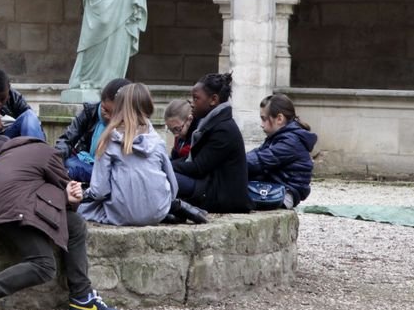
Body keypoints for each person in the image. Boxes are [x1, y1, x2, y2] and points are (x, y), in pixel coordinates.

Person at [0, 136, 119, 310]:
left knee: (74, 224)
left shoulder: (5, 158)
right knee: (44, 265)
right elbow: (64, 190)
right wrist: (73, 199)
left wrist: (65, 200)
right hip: (18, 211)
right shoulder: (47, 152)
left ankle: (82, 297)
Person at [77, 83, 178, 226]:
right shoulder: (157, 141)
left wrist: (84, 194)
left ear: (118, 107)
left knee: (79, 209)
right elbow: (173, 186)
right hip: (158, 212)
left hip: (122, 214)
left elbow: (100, 191)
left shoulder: (109, 140)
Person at [171, 72, 252, 213]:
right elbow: (192, 160)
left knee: (162, 177)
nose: (192, 104)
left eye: (196, 99)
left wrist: (166, 166)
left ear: (213, 99)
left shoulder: (224, 129)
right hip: (209, 186)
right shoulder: (212, 123)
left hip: (221, 196)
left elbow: (198, 167)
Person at [247, 93, 318, 209]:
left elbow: (261, 160)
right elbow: (257, 154)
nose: (261, 125)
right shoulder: (279, 137)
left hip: (284, 193)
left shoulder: (291, 141)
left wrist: (234, 162)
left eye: (264, 119)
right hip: (276, 187)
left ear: (279, 118)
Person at [54, 78, 129, 182]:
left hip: (111, 169)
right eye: (104, 109)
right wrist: (55, 159)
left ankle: (86, 175)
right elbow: (66, 139)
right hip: (86, 161)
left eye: (112, 112)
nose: (106, 114)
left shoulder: (129, 123)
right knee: (67, 161)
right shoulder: (90, 112)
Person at [0, 68, 46, 141]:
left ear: (9, 89)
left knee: (29, 115)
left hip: (12, 137)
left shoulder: (15, 98)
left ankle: (36, 149)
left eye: (3, 99)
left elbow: (36, 126)